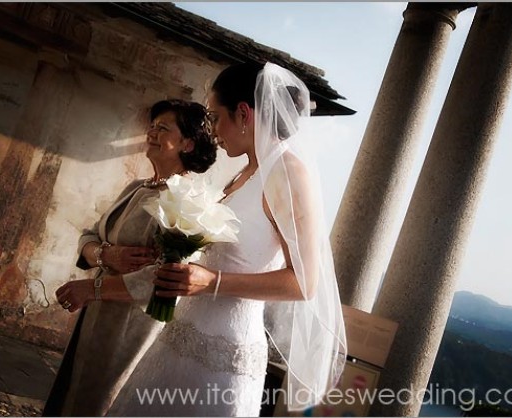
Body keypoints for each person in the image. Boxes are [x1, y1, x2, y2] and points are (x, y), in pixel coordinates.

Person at [59, 62, 347, 417]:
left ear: (243, 113)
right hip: (182, 337)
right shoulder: (244, 173)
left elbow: (304, 283)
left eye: (214, 116)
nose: (212, 129)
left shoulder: (288, 174)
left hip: (226, 354)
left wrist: (213, 281)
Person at [43, 99, 217, 416]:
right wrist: (106, 254)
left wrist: (92, 289)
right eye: (152, 125)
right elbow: (90, 234)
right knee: (73, 394)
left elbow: (164, 277)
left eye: (163, 127)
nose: (152, 132)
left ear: (188, 143)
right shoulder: (137, 187)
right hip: (96, 316)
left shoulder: (188, 201)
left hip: (131, 326)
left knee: (100, 402)